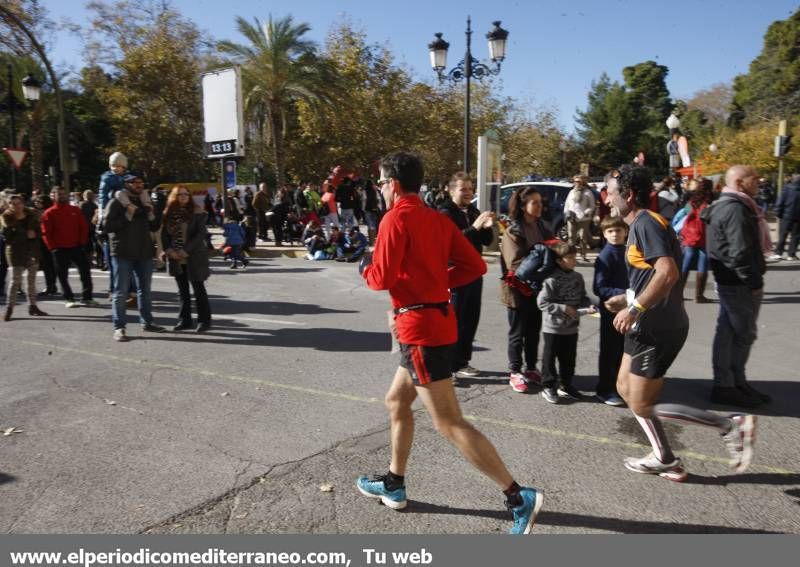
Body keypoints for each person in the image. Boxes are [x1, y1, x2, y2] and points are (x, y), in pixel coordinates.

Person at [356, 151, 542, 535]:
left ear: (391, 183)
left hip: (419, 331)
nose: (380, 190)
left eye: (381, 183)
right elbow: (474, 266)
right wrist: (434, 284)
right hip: (435, 321)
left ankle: (516, 495)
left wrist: (365, 265)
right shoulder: (436, 219)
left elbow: (380, 277)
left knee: (449, 422)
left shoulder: (395, 218)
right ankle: (394, 483)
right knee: (396, 401)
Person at [604, 164, 756, 481]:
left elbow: (668, 273)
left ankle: (730, 425)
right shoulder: (641, 224)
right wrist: (628, 298)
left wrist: (635, 309)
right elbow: (651, 274)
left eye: (611, 194)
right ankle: (665, 458)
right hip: (645, 322)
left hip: (659, 326)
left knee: (642, 403)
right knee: (624, 388)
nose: (607, 200)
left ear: (628, 195)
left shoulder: (646, 223)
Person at [703, 165, 771, 408]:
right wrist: (753, 281)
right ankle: (727, 385)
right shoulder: (735, 210)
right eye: (755, 179)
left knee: (728, 332)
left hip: (731, 280)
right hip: (738, 282)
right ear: (740, 183)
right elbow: (739, 252)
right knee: (742, 334)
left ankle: (732, 382)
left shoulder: (732, 206)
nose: (759, 181)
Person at [438, 171, 494, 379]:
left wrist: (488, 228)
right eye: (463, 189)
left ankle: (462, 362)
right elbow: (451, 243)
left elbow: (486, 242)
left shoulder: (472, 211)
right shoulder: (445, 213)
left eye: (471, 189)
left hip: (474, 273)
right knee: (454, 321)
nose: (468, 193)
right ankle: (446, 366)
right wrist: (475, 226)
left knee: (471, 319)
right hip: (455, 274)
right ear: (451, 190)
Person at [500, 187, 553, 393]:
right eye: (534, 202)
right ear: (523, 207)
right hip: (516, 290)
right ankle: (515, 371)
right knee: (517, 332)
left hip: (537, 289)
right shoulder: (513, 231)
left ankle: (531, 368)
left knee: (533, 331)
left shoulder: (542, 226)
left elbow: (554, 250)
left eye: (540, 202)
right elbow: (515, 265)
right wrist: (542, 261)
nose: (540, 206)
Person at [104, 172, 165, 342]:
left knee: (144, 291)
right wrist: (128, 216)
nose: (139, 185)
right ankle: (119, 328)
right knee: (121, 292)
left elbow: (154, 226)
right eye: (134, 182)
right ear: (126, 184)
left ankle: (147, 322)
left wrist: (157, 210)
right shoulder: (117, 202)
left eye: (141, 182)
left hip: (144, 252)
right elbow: (106, 226)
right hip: (122, 252)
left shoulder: (146, 202)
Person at [537, 242, 594, 403]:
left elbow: (583, 297)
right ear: (559, 261)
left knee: (569, 358)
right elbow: (542, 303)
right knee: (549, 358)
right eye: (569, 257)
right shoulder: (551, 280)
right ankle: (548, 386)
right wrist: (563, 308)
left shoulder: (578, 277)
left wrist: (587, 304)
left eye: (574, 256)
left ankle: (565, 384)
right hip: (553, 328)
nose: (574, 260)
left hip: (571, 327)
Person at [161, 186, 212, 333]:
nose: (183, 197)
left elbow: (201, 234)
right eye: (180, 194)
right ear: (174, 197)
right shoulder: (168, 213)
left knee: (198, 289)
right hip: (176, 257)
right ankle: (185, 320)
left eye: (186, 194)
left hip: (193, 256)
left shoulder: (197, 212)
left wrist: (185, 250)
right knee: (182, 291)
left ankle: (204, 321)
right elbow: (164, 236)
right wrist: (169, 250)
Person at [592, 214, 628, 406]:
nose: (615, 234)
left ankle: (620, 387)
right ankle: (605, 389)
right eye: (610, 231)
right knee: (610, 351)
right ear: (604, 234)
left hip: (627, 310)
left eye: (618, 230)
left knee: (623, 350)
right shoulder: (605, 256)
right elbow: (599, 288)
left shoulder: (627, 251)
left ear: (625, 231)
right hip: (611, 311)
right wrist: (624, 293)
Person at [40, 186, 96, 308]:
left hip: (76, 246)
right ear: (53, 196)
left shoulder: (75, 210)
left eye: (64, 194)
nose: (62, 196)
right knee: (62, 275)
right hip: (59, 249)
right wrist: (53, 247)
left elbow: (83, 227)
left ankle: (87, 297)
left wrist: (81, 242)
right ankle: (69, 298)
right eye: (59, 194)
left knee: (85, 270)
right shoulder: (49, 213)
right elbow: (46, 233)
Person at [2, 194, 48, 320]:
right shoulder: (6, 219)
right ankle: (9, 308)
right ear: (9, 205)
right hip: (16, 253)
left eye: (19, 203)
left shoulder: (31, 216)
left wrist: (35, 235)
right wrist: (25, 235)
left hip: (32, 252)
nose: (17, 206)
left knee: (31, 281)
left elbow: (39, 232)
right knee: (15, 282)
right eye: (13, 204)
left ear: (23, 203)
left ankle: (32, 306)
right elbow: (7, 239)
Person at [679, 177, 712, 303]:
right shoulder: (710, 202)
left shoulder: (691, 201)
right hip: (704, 236)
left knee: (686, 263)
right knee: (703, 263)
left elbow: (685, 213)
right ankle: (699, 296)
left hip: (690, 236)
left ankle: (678, 293)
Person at [563, 175, 595, 262]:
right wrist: (566, 213)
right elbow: (567, 204)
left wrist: (586, 212)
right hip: (572, 218)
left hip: (583, 219)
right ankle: (571, 255)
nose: (576, 183)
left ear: (583, 182)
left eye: (578, 181)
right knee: (571, 238)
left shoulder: (587, 192)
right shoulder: (572, 192)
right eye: (575, 181)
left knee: (583, 238)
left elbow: (592, 206)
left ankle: (583, 255)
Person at [769, 173, 800, 261]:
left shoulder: (787, 188)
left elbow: (780, 201)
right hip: (798, 217)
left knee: (782, 235)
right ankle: (791, 254)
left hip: (786, 215)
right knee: (795, 236)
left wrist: (778, 213)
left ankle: (778, 253)